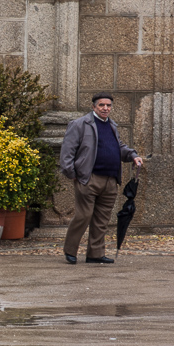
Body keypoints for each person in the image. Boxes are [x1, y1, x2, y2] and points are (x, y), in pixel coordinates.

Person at [60, 92, 143, 264]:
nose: (105, 108)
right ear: (93, 107)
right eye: (101, 105)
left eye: (108, 105)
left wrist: (133, 155)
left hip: (110, 180)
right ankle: (70, 251)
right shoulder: (80, 124)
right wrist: (73, 174)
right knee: (83, 216)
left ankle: (95, 254)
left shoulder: (112, 125)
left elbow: (118, 147)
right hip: (89, 178)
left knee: (102, 220)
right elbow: (67, 152)